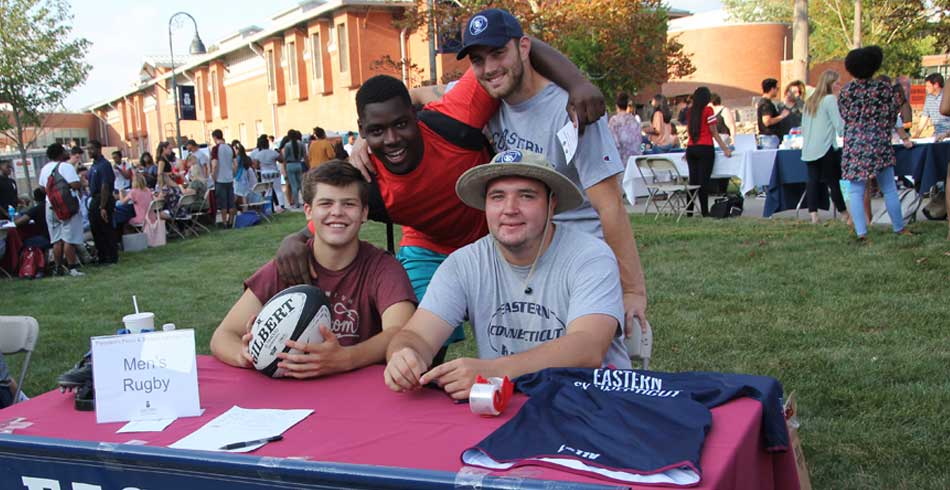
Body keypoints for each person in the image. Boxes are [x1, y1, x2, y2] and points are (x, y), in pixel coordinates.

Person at [284, 39, 605, 363]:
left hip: (498, 237)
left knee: (535, 327)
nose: (393, 139)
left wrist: (578, 84)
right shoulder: (369, 182)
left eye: (401, 124)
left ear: (416, 114)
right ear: (362, 131)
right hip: (429, 248)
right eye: (377, 131)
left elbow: (523, 44)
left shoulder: (455, 116)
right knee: (417, 344)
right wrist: (295, 239)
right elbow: (332, 216)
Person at [454, 8, 648, 332]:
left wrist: (631, 291)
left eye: (498, 53)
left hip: (579, 262)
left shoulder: (570, 110)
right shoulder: (487, 104)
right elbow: (425, 98)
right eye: (477, 60)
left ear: (524, 48)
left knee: (583, 365)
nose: (489, 69)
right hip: (525, 261)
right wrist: (362, 142)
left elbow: (610, 205)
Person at [383, 149, 629, 400]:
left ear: (551, 203)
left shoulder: (590, 256)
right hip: (505, 406)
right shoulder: (463, 263)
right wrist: (405, 354)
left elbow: (588, 347)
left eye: (526, 196)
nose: (510, 209)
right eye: (497, 197)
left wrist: (494, 371)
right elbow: (417, 335)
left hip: (593, 401)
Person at [210, 161, 417, 377]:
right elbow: (223, 336)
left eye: (348, 204)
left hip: (357, 394)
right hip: (289, 396)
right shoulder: (288, 265)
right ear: (308, 211)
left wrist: (345, 358)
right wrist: (246, 355)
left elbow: (401, 332)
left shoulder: (382, 268)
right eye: (326, 203)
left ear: (364, 212)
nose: (337, 212)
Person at [839, 45, 913, 241]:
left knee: (856, 189)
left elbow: (844, 115)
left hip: (854, 142)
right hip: (879, 141)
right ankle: (898, 227)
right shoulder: (884, 89)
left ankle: (861, 232)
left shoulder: (846, 91)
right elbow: (892, 116)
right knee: (889, 187)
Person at [801, 70, 851, 225]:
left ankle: (813, 214)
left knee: (813, 180)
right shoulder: (830, 100)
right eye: (837, 83)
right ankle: (844, 212)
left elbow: (803, 126)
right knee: (833, 181)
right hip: (826, 146)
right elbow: (839, 124)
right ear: (830, 84)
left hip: (809, 147)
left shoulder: (810, 101)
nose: (839, 86)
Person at [684, 87, 732, 217]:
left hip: (691, 148)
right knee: (703, 181)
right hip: (705, 147)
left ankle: (689, 211)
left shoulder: (690, 112)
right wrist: (725, 148)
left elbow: (690, 131)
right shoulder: (708, 110)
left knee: (692, 181)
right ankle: (705, 211)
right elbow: (714, 132)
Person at [38, 143, 84, 276]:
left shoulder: (45, 168)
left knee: (56, 239)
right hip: (66, 206)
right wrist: (80, 182)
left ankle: (58, 267)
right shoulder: (66, 166)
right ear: (60, 153)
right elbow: (74, 184)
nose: (66, 153)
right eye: (64, 151)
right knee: (69, 238)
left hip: (50, 205)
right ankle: (72, 268)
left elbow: (42, 188)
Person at [86, 140, 118, 265]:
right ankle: (102, 256)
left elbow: (105, 186)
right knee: (96, 229)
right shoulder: (93, 166)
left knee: (106, 228)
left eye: (91, 149)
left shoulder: (104, 165)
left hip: (103, 199)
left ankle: (111, 256)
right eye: (88, 149)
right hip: (94, 198)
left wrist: (102, 206)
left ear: (99, 149)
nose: (89, 151)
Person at [251, 134, 286, 213]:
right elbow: (281, 160)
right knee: (278, 189)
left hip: (264, 173)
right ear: (267, 144)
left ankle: (269, 208)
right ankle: (281, 206)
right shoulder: (272, 152)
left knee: (268, 191)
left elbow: (256, 166)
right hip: (274, 172)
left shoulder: (258, 154)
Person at [210, 129, 237, 227]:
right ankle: (231, 221)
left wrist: (213, 174)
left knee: (223, 202)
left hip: (220, 179)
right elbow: (235, 164)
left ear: (215, 137)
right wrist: (233, 173)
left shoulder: (216, 149)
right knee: (231, 201)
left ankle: (224, 222)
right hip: (229, 178)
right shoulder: (230, 147)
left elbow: (215, 164)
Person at [608, 92, 643, 165]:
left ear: (616, 106)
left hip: (622, 161)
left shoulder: (614, 121)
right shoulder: (634, 120)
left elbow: (614, 143)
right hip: (636, 160)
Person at [913, 73, 950, 141]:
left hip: (947, 135)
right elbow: (924, 117)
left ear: (936, 85)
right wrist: (916, 135)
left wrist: (947, 134)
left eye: (928, 86)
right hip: (937, 135)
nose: (926, 88)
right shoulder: (929, 98)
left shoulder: (947, 97)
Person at [757, 78, 791, 148]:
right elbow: (767, 121)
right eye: (777, 89)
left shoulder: (764, 102)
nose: (777, 91)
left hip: (768, 138)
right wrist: (782, 116)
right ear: (772, 89)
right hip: (769, 138)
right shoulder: (766, 104)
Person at [280, 130, 306, 208]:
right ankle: (305, 201)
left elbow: (284, 158)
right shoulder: (301, 144)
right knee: (301, 184)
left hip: (290, 165)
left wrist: (284, 168)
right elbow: (304, 155)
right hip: (298, 164)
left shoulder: (287, 145)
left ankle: (296, 203)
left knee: (293, 185)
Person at [232, 140, 257, 209]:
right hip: (245, 180)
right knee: (244, 196)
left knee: (235, 196)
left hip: (238, 178)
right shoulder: (246, 158)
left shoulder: (238, 158)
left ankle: (232, 210)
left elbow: (235, 167)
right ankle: (245, 211)